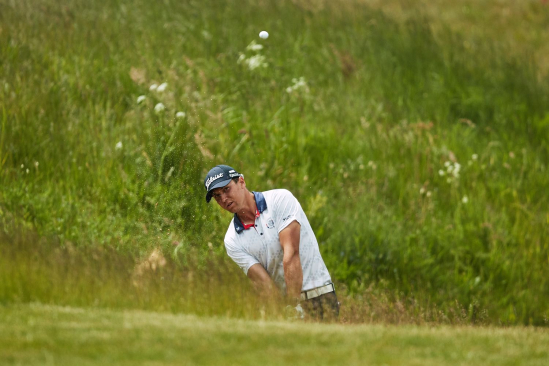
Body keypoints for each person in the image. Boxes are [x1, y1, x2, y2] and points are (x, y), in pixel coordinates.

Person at [204, 164, 339, 320]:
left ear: (241, 182)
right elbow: (265, 284)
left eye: (226, 189)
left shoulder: (280, 200)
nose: (223, 199)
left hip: (319, 295)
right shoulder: (232, 240)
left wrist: (294, 304)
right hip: (288, 308)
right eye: (217, 196)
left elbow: (291, 253)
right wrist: (283, 312)